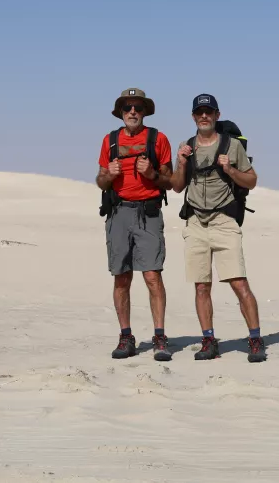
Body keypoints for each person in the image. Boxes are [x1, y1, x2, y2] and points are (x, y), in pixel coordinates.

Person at [170, 93, 266, 363]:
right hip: (196, 222)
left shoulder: (231, 146)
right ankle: (209, 340)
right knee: (202, 286)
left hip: (224, 221)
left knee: (238, 282)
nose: (204, 116)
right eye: (199, 112)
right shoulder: (188, 147)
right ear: (193, 116)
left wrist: (231, 170)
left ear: (217, 115)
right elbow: (177, 186)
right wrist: (180, 161)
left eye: (208, 112)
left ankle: (255, 340)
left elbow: (251, 180)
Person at [95, 88, 174, 361]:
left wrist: (151, 174)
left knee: (152, 275)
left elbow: (170, 182)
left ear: (144, 112)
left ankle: (160, 336)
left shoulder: (158, 139)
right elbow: (101, 180)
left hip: (148, 214)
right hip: (118, 213)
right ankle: (126, 336)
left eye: (137, 108)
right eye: (127, 107)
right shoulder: (110, 140)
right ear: (120, 112)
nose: (132, 112)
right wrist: (109, 176)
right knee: (121, 277)